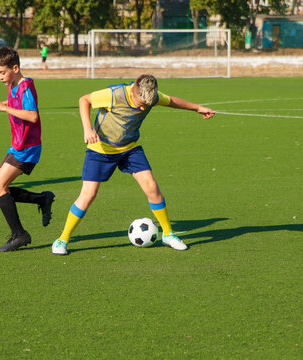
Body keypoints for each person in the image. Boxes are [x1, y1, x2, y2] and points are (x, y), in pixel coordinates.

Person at [51, 74, 216, 256]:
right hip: (101, 149)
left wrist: (197, 108)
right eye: (141, 103)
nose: (144, 107)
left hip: (129, 149)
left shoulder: (150, 97)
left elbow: (172, 101)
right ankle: (62, 239)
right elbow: (84, 100)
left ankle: (168, 234)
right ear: (134, 92)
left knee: (152, 187)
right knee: (88, 194)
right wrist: (87, 129)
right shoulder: (114, 94)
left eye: (148, 104)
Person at [0, 46, 54, 252]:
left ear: (15, 68)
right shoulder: (14, 85)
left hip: (28, 147)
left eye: (2, 72)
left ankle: (20, 235)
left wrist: (2, 107)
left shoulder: (26, 86)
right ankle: (42, 199)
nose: (0, 77)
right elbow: (13, 102)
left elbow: (32, 115)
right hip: (18, 145)